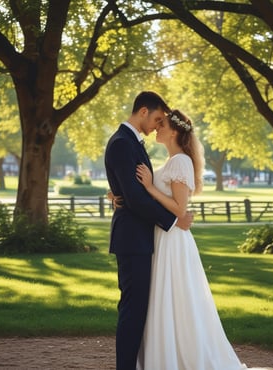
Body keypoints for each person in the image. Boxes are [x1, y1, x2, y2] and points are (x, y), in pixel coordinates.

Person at [135, 109, 267, 370]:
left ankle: (182, 357)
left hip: (173, 241)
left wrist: (150, 188)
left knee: (177, 298)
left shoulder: (181, 162)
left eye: (161, 125)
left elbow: (180, 209)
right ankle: (163, 354)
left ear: (174, 131)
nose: (156, 128)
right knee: (164, 299)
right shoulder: (169, 162)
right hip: (162, 239)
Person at [104, 92, 193, 370]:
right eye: (156, 118)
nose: (157, 125)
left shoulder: (131, 143)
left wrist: (118, 193)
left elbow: (132, 191)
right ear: (143, 111)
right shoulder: (122, 143)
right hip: (133, 240)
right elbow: (135, 197)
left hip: (140, 239)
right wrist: (173, 220)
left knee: (140, 309)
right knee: (133, 309)